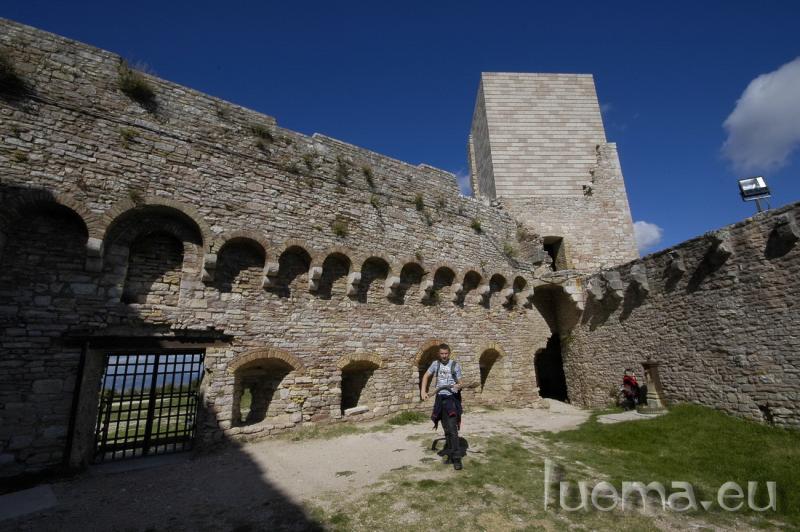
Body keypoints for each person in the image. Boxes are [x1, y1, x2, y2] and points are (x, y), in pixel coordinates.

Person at [420, 343, 463, 470]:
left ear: (449, 353)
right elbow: (426, 376)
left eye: (446, 353)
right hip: (440, 399)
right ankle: (450, 454)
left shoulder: (455, 365)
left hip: (452, 399)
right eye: (442, 354)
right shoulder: (436, 364)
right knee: (446, 429)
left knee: (452, 429)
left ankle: (457, 458)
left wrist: (458, 385)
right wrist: (423, 391)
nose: (444, 356)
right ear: (439, 354)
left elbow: (461, 382)